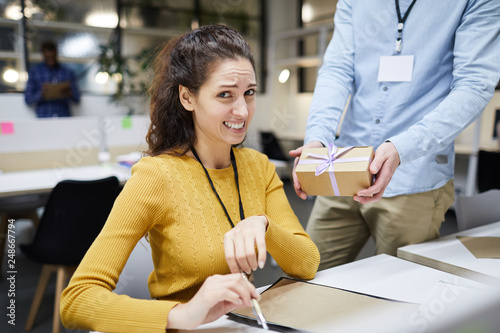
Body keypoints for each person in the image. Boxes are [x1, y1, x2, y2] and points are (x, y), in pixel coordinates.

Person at [60, 24, 320, 332]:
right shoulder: (155, 176)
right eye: (225, 95)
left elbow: (307, 264)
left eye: (248, 93)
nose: (242, 110)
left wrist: (263, 225)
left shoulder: (258, 166)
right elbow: (76, 300)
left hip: (240, 324)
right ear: (187, 97)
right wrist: (181, 315)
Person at [290, 0, 500, 270]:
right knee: (306, 274)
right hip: (344, 167)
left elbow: (474, 85)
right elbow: (337, 70)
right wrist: (317, 139)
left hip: (414, 176)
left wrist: (403, 147)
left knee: (402, 296)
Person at [24, 40, 80, 118]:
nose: (50, 58)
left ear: (56, 54)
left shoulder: (67, 73)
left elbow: (77, 99)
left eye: (53, 55)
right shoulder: (35, 72)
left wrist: (69, 93)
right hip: (44, 116)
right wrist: (41, 94)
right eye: (48, 56)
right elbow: (28, 99)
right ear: (43, 54)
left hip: (64, 116)